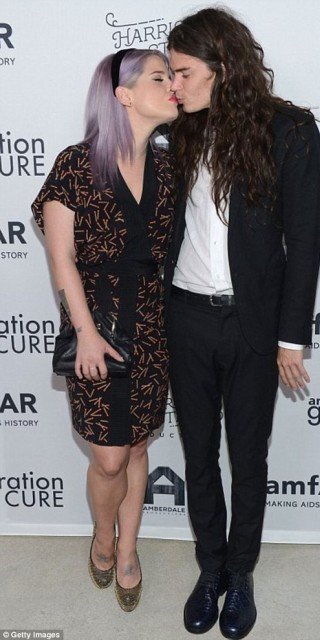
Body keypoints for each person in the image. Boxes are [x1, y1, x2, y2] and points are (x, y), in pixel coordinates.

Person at [164, 8, 320, 639]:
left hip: (254, 323)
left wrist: (292, 339)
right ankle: (210, 569)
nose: (174, 84)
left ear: (223, 67)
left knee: (248, 455)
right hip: (185, 317)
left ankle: (241, 571)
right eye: (170, 72)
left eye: (183, 72)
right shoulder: (176, 131)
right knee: (198, 453)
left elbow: (304, 243)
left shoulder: (290, 130)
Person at [32, 48, 178, 612]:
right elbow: (61, 257)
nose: (172, 86)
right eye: (160, 77)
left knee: (137, 446)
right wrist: (86, 333)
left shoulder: (169, 167)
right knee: (109, 458)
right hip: (95, 326)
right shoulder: (77, 163)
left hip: (153, 326)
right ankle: (101, 535)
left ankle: (129, 549)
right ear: (123, 95)